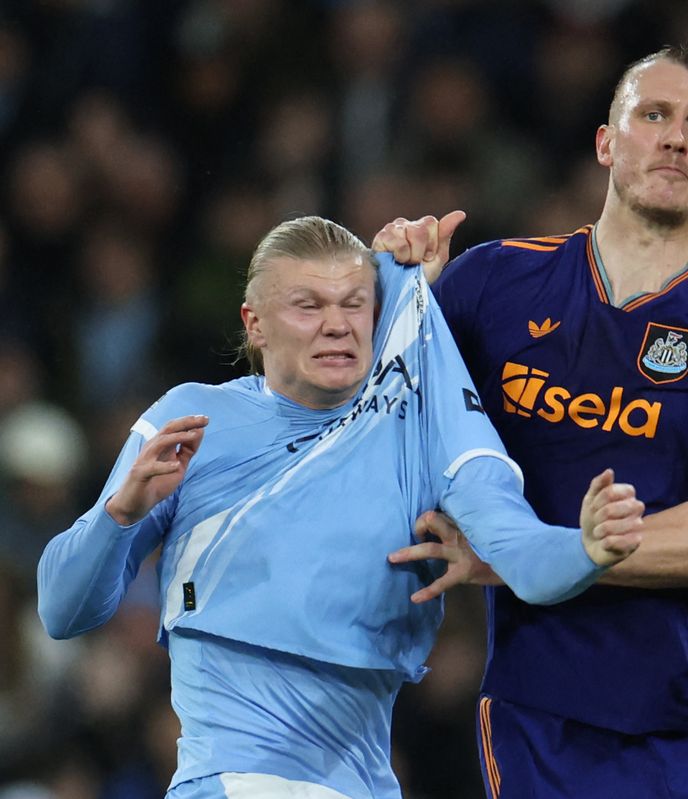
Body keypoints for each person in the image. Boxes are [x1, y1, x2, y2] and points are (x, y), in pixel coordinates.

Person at [378, 46, 688, 797]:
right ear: (607, 142)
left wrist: (533, 553)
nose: (675, 137)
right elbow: (371, 429)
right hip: (551, 736)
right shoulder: (490, 282)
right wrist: (389, 298)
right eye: (654, 115)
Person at [36, 215, 645, 799]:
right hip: (229, 783)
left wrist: (584, 546)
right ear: (255, 324)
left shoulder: (423, 433)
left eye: (355, 303)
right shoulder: (193, 419)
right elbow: (64, 610)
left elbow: (522, 552)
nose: (337, 324)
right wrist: (119, 514)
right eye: (309, 306)